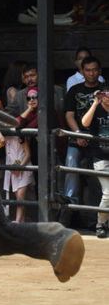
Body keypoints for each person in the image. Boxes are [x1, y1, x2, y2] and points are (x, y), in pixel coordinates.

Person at [63, 56, 104, 213]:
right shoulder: (75, 90)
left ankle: (100, 213)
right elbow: (69, 115)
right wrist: (78, 134)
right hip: (77, 138)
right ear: (82, 72)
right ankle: (69, 208)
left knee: (97, 177)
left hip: (99, 140)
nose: (92, 73)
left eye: (94, 70)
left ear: (99, 71)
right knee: (71, 165)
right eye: (88, 70)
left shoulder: (104, 89)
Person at [80, 87, 109, 237]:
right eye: (105, 94)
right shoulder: (96, 109)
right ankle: (100, 224)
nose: (107, 97)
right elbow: (84, 123)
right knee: (108, 194)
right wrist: (95, 103)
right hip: (100, 157)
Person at [3, 126, 33, 223]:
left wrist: (20, 167)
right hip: (13, 169)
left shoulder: (20, 136)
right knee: (18, 197)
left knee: (20, 196)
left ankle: (17, 221)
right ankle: (22, 222)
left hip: (24, 168)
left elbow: (28, 154)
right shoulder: (5, 136)